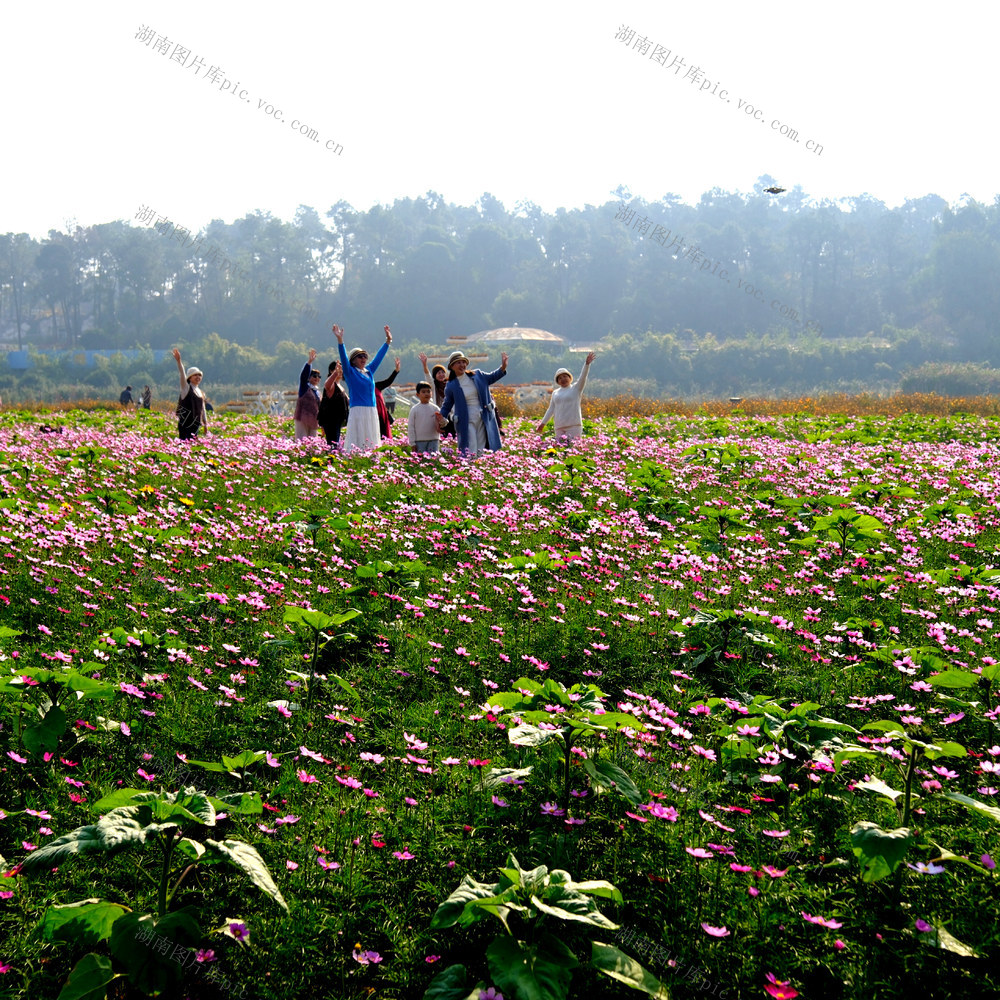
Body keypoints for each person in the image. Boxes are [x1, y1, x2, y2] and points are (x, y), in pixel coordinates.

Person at [333, 323, 391, 453]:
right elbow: (343, 356)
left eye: (365, 356)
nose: (363, 358)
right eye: (360, 356)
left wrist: (388, 341)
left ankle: (371, 461)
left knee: (371, 439)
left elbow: (378, 358)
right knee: (358, 439)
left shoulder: (369, 371)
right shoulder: (350, 372)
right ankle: (356, 461)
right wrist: (340, 340)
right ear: (353, 360)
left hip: (371, 410)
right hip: (358, 410)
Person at [439, 349, 508, 456]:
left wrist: (503, 367)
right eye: (458, 363)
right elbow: (447, 404)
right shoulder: (451, 385)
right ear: (452, 367)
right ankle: (469, 466)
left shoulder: (478, 375)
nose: (462, 365)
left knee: (481, 444)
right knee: (470, 443)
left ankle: (478, 467)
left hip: (482, 415)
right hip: (465, 418)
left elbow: (493, 376)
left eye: (463, 362)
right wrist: (440, 417)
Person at [536, 352, 596, 444]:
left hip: (574, 426)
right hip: (559, 427)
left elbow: (583, 377)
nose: (563, 379)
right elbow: (551, 409)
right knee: (561, 452)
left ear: (569, 378)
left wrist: (587, 364)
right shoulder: (555, 393)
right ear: (558, 381)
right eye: (560, 378)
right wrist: (542, 423)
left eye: (565, 376)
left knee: (572, 450)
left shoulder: (576, 388)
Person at [172, 348, 207, 440]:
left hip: (195, 424)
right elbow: (182, 374)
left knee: (192, 446)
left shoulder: (200, 392)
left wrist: (205, 423)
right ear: (190, 378)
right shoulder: (186, 388)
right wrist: (179, 361)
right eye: (195, 375)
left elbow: (202, 409)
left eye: (199, 375)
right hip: (185, 423)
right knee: (184, 446)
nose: (198, 377)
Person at [418, 352, 454, 437]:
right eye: (439, 373)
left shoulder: (450, 384)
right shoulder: (434, 387)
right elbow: (428, 377)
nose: (441, 375)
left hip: (451, 415)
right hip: (439, 416)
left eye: (443, 372)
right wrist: (424, 365)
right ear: (435, 375)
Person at [318, 360, 349, 448]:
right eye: (338, 369)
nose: (341, 372)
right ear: (331, 371)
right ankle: (330, 460)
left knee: (335, 443)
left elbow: (348, 400)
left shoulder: (340, 385)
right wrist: (335, 373)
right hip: (331, 420)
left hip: (338, 420)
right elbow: (327, 385)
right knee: (332, 444)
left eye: (341, 370)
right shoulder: (331, 384)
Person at [293, 349, 323, 439]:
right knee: (302, 441)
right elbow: (303, 376)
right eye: (314, 376)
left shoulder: (318, 392)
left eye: (319, 377)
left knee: (313, 444)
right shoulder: (304, 387)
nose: (317, 378)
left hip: (314, 420)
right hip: (302, 419)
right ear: (309, 377)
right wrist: (309, 363)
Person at [407, 381, 443, 454]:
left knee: (433, 461)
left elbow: (442, 422)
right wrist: (412, 443)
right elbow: (411, 427)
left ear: (431, 393)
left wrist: (442, 420)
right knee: (421, 462)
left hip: (434, 440)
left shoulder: (435, 408)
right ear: (417, 394)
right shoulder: (414, 409)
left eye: (428, 391)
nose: (426, 394)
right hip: (419, 441)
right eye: (423, 392)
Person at [374, 357, 401, 440]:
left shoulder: (376, 385)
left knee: (383, 436)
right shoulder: (359, 389)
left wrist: (396, 371)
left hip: (381, 416)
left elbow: (388, 381)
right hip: (369, 416)